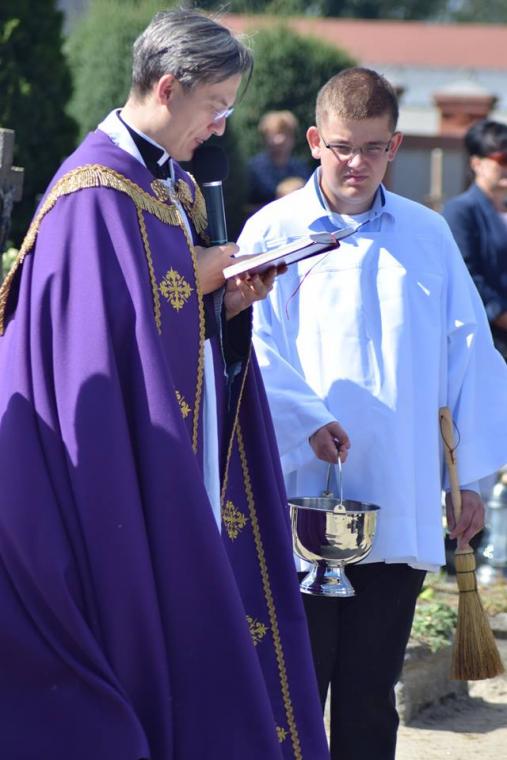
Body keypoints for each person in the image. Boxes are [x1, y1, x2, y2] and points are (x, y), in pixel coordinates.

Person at [0, 9, 329, 760]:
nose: (219, 127)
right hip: (109, 466)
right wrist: (196, 277)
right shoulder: (91, 191)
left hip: (180, 445)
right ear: (169, 87)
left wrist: (225, 303)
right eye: (215, 105)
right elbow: (88, 349)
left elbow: (160, 319)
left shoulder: (174, 184)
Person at [237, 67, 507, 760]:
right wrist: (304, 417)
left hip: (400, 494)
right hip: (300, 503)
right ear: (314, 141)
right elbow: (252, 346)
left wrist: (471, 482)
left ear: (394, 145)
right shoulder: (272, 231)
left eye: (372, 148)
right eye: (341, 147)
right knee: (295, 691)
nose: (355, 163)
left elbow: (470, 353)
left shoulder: (426, 234)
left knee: (369, 693)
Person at [443, 119, 507, 359]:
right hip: (488, 341)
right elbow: (467, 276)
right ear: (476, 163)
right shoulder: (461, 211)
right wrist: (500, 314)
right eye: (502, 159)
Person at [247, 110, 311, 208]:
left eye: (285, 133)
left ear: (293, 139)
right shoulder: (253, 171)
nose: (279, 140)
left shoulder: (301, 169)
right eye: (272, 134)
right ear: (264, 139)